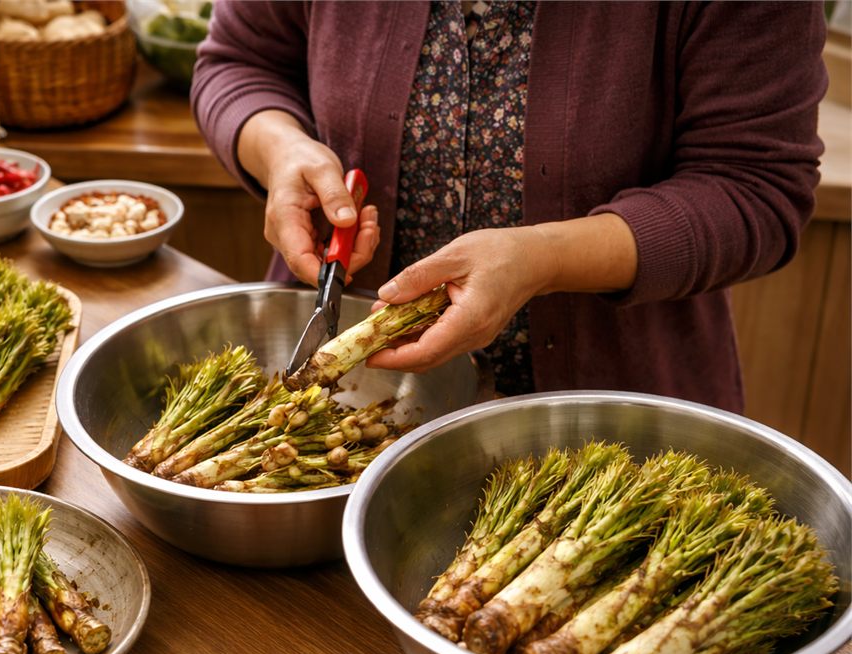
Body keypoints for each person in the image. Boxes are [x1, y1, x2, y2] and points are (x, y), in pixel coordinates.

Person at [189, 1, 828, 411]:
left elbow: (755, 188)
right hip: (348, 402)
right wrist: (280, 150)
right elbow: (239, 62)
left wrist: (541, 259)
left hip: (608, 434)